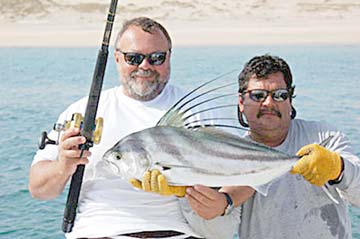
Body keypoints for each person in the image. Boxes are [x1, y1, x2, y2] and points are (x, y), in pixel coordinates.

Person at [29, 17, 204, 239]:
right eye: (134, 58)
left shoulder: (197, 109)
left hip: (179, 233)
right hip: (100, 230)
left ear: (169, 57)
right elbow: (39, 189)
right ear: (117, 58)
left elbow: (229, 180)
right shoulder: (83, 111)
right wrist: (64, 165)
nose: (145, 66)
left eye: (156, 58)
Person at [181, 54, 360, 239]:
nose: (269, 103)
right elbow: (218, 233)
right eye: (258, 95)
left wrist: (338, 169)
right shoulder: (227, 154)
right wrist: (207, 204)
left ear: (290, 100)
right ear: (241, 102)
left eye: (280, 95)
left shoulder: (324, 138)